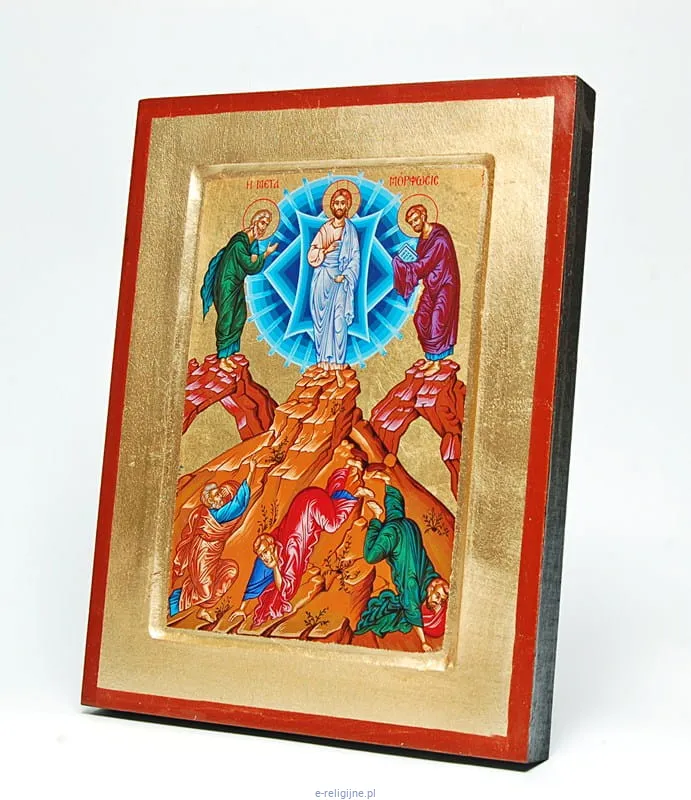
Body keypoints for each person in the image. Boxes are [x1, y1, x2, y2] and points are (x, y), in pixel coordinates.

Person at [233, 468, 365, 627]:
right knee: (327, 515)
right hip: (304, 501)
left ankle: (354, 493)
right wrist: (242, 609)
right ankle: (342, 473)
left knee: (332, 525)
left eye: (266, 552)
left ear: (273, 546)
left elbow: (287, 590)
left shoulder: (290, 551)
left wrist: (275, 568)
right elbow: (253, 584)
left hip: (311, 504)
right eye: (261, 554)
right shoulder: (266, 556)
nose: (265, 557)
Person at [354, 471, 447, 651]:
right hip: (396, 535)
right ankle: (376, 517)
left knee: (396, 516)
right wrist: (423, 642)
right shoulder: (413, 585)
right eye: (443, 595)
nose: (441, 592)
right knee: (371, 556)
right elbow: (412, 610)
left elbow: (416, 609)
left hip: (410, 528)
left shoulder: (428, 576)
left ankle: (388, 482)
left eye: (438, 598)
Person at [169, 460, 256, 624]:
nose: (220, 496)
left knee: (230, 571)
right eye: (217, 494)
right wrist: (251, 472)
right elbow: (240, 502)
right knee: (204, 592)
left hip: (213, 552)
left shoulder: (219, 512)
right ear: (209, 499)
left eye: (222, 494)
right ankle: (174, 606)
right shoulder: (218, 514)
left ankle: (203, 609)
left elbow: (237, 501)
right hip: (202, 552)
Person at [201, 210, 278, 371]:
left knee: (239, 316)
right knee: (227, 317)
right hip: (226, 284)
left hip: (236, 284)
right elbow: (250, 266)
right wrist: (266, 254)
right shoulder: (239, 244)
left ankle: (228, 354)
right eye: (262, 223)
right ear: (255, 221)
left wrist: (258, 254)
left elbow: (253, 263)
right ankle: (222, 357)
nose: (264, 228)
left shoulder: (252, 242)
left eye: (267, 225)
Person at [392, 204, 461, 376]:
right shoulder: (422, 240)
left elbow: (424, 265)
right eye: (411, 223)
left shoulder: (439, 238)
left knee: (437, 319)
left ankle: (437, 362)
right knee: (421, 318)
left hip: (445, 285)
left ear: (423, 216)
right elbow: (421, 263)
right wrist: (407, 263)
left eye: (416, 220)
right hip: (431, 286)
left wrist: (402, 266)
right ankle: (430, 358)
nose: (414, 224)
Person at [308, 189, 360, 386]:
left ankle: (337, 367)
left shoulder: (350, 231)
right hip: (322, 279)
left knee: (339, 323)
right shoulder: (325, 228)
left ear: (347, 206)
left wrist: (345, 275)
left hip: (340, 281)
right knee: (321, 324)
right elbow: (312, 254)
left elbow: (355, 258)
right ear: (331, 206)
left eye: (342, 203)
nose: (339, 206)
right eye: (336, 203)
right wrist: (325, 250)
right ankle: (324, 366)